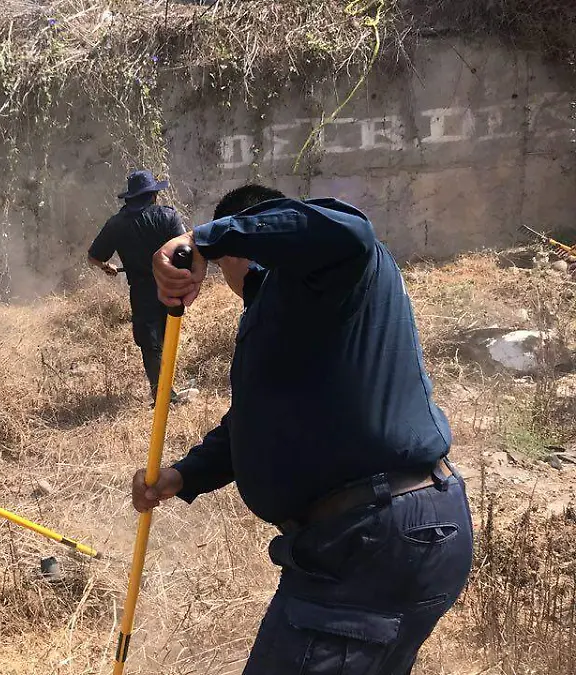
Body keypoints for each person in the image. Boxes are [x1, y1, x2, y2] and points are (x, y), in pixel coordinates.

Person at [136, 184, 474, 674]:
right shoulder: (285, 310)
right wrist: (182, 476)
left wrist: (205, 239)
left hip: (368, 538)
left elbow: (349, 229)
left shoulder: (331, 268)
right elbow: (257, 420)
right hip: (370, 536)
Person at [87, 170, 187, 402]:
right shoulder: (168, 216)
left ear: (130, 198)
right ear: (153, 196)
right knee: (167, 333)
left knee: (150, 341)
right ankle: (166, 392)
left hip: (141, 289)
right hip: (169, 283)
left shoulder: (116, 224)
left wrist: (107, 267)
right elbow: (185, 247)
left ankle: (161, 391)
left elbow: (93, 256)